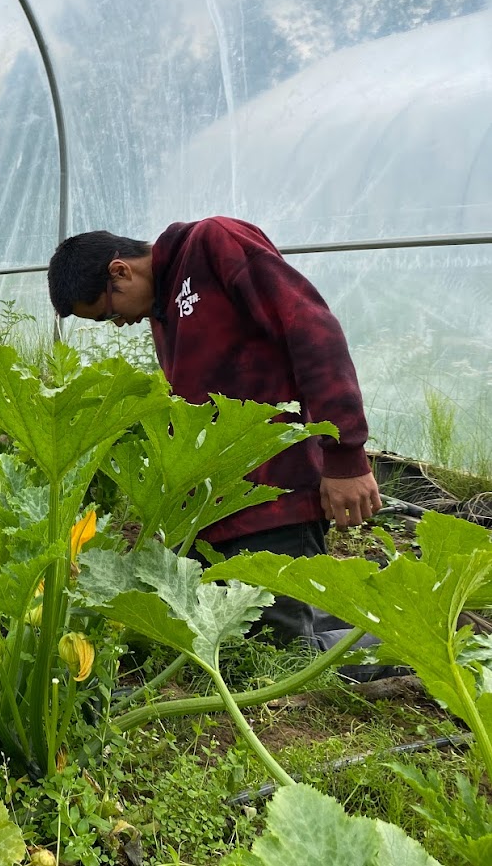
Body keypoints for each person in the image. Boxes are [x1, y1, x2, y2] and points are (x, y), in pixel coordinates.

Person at [47, 216, 384, 650]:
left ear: (120, 271)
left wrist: (345, 456)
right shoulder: (162, 308)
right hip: (218, 510)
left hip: (274, 496)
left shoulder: (214, 243)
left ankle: (412, 638)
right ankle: (366, 613)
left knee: (281, 654)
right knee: (232, 638)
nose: (118, 322)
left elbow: (311, 328)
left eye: (110, 312)